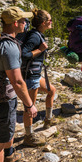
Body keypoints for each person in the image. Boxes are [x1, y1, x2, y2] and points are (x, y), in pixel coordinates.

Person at [0, 6, 38, 162]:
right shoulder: (9, 46)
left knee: (8, 130)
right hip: (2, 99)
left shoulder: (1, 41)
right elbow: (17, 82)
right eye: (24, 21)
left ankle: (9, 156)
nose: (26, 24)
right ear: (15, 23)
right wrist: (30, 105)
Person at [21, 9, 57, 146]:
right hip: (30, 76)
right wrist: (40, 50)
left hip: (34, 75)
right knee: (29, 107)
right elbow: (23, 54)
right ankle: (28, 136)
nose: (51, 22)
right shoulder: (35, 37)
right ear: (43, 23)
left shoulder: (37, 34)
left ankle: (48, 120)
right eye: (49, 20)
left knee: (51, 91)